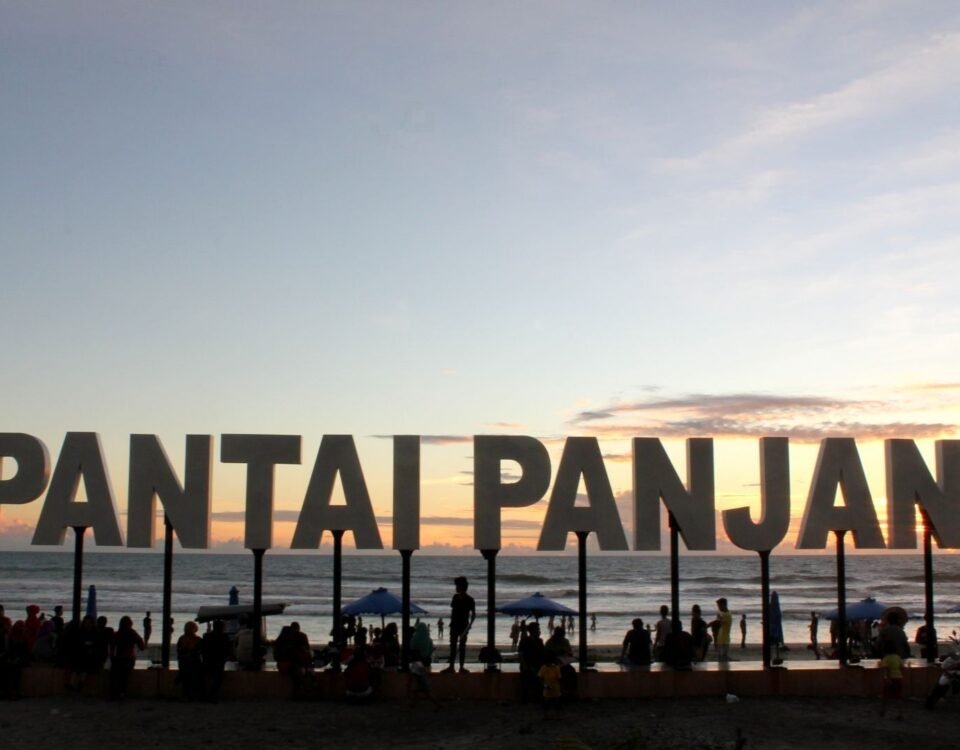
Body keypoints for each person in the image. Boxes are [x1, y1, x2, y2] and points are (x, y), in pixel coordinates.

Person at [441, 576, 475, 674]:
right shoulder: (456, 597)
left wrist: (469, 625)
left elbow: (473, 614)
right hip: (454, 624)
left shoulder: (470, 599)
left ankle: (461, 667)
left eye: (457, 586)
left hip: (463, 625)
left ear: (461, 587)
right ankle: (451, 666)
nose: (456, 588)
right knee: (453, 646)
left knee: (462, 646)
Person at [110, 615, 145, 699]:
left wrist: (112, 658)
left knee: (116, 675)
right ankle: (122, 693)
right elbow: (141, 646)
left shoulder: (118, 633)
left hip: (118, 658)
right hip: (128, 658)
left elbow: (112, 647)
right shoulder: (132, 633)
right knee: (124, 676)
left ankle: (115, 693)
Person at [407, 621, 440, 709]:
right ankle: (413, 703)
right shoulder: (429, 640)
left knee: (418, 683)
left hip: (417, 663)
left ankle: (436, 703)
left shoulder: (414, 639)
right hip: (426, 664)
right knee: (420, 683)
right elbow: (430, 651)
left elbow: (411, 648)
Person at [201, 619, 231, 702]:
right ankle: (212, 694)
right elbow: (227, 650)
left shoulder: (207, 636)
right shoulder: (224, 637)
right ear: (222, 627)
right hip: (219, 662)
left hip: (208, 661)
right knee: (218, 678)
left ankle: (205, 694)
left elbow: (203, 649)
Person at [518, 621, 545, 703]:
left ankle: (538, 697)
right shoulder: (524, 641)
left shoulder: (539, 641)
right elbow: (521, 655)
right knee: (527, 678)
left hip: (537, 665)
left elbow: (542, 654)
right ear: (533, 631)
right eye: (538, 630)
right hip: (527, 665)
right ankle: (525, 698)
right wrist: (525, 666)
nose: (539, 632)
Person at [176, 621, 203, 701]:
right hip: (194, 663)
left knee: (185, 680)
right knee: (194, 679)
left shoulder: (181, 638)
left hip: (183, 662)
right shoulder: (198, 639)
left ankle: (186, 695)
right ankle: (193, 695)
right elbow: (201, 651)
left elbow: (179, 651)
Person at [880, 641, 904, 719]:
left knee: (885, 696)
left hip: (890, 678)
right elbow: (901, 667)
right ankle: (900, 713)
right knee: (898, 697)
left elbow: (887, 669)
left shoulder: (886, 658)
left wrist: (888, 678)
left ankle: (883, 711)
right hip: (898, 677)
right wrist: (902, 676)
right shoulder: (898, 657)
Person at [710, 598, 732, 662]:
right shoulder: (725, 613)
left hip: (724, 640)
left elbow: (716, 622)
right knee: (721, 659)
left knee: (723, 660)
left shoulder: (727, 615)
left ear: (724, 605)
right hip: (721, 639)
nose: (718, 608)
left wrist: (706, 626)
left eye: (719, 606)